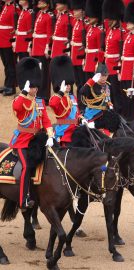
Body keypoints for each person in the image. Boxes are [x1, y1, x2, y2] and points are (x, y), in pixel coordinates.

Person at [9, 57, 54, 210]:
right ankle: (23, 200)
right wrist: (23, 92)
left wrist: (51, 135)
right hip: (22, 140)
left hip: (37, 140)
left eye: (36, 87)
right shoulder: (19, 100)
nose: (35, 90)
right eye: (33, 87)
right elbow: (17, 108)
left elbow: (46, 120)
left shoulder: (40, 102)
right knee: (26, 167)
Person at [80, 63, 120, 134]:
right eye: (102, 76)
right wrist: (92, 81)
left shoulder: (107, 85)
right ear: (98, 75)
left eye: (106, 76)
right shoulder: (91, 85)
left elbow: (108, 99)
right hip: (93, 113)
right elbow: (82, 92)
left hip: (105, 113)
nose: (104, 78)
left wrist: (110, 106)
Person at [120, 1, 134, 121]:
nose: (127, 23)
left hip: (130, 73)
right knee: (124, 98)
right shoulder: (128, 36)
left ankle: (132, 119)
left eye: (129, 21)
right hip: (124, 71)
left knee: (131, 99)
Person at [49, 55, 79, 146]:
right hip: (64, 132)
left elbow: (77, 113)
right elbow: (53, 104)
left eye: (70, 84)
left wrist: (82, 119)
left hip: (76, 130)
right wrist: (61, 92)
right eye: (66, 84)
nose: (69, 86)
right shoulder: (57, 98)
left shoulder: (72, 97)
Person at [102, 0, 125, 114]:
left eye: (110, 19)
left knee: (116, 93)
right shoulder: (109, 31)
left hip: (115, 67)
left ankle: (118, 113)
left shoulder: (121, 32)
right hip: (107, 66)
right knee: (107, 92)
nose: (108, 21)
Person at [31, 0, 54, 102]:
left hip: (42, 48)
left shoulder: (49, 16)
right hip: (36, 46)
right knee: (37, 72)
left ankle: (45, 96)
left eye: (42, 2)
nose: (39, 3)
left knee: (44, 73)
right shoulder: (39, 13)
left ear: (47, 4)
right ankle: (38, 93)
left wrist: (47, 48)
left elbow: (49, 33)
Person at [70, 0, 87, 110]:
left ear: (82, 11)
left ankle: (83, 104)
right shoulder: (75, 22)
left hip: (81, 57)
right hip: (74, 56)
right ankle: (79, 103)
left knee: (82, 82)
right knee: (77, 82)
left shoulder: (85, 24)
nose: (74, 12)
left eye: (76, 10)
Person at [0, 0, 20, 96]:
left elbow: (16, 27)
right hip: (2, 39)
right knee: (6, 64)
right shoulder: (6, 6)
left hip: (8, 40)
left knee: (10, 64)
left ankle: (11, 87)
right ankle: (7, 84)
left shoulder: (14, 8)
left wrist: (14, 41)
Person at [84, 0, 104, 80]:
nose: (89, 18)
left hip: (94, 61)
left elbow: (100, 49)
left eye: (91, 16)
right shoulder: (89, 28)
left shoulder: (99, 31)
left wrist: (98, 63)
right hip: (88, 60)